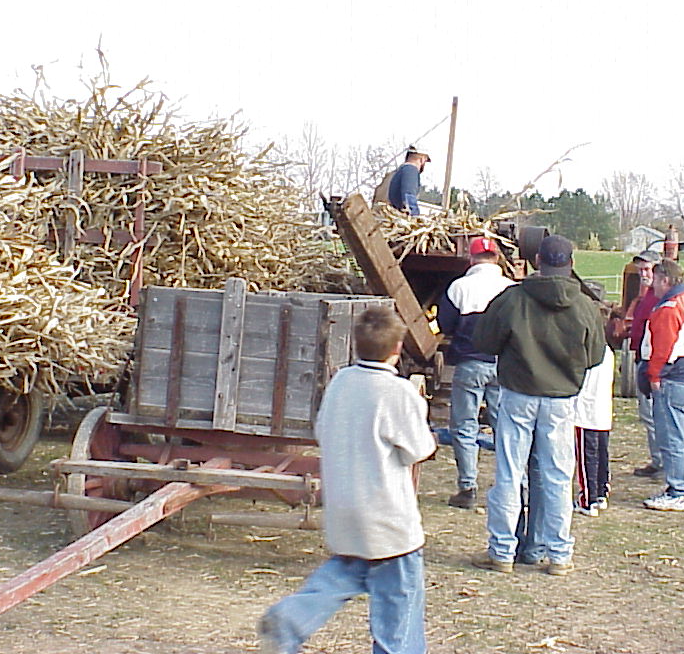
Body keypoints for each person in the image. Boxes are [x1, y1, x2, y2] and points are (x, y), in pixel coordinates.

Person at [258, 307, 437, 654]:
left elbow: (322, 431)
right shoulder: (397, 393)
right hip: (388, 516)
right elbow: (419, 449)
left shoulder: (341, 381)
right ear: (397, 348)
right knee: (399, 602)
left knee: (347, 572)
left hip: (344, 506)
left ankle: (290, 619)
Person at [469, 234, 606, 576]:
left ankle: (502, 551)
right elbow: (595, 356)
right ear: (571, 264)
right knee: (558, 476)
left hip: (517, 394)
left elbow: (484, 340)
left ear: (536, 262)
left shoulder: (513, 299)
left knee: (509, 473)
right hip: (561, 399)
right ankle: (558, 553)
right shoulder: (585, 305)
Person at [436, 236, 516, 509]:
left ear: (471, 259)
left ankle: (467, 487)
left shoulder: (459, 287)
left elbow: (445, 324)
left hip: (470, 363)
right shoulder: (511, 288)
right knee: (504, 427)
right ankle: (511, 484)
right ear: (496, 258)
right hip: (503, 365)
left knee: (464, 425)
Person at [639, 259, 684, 512]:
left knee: (672, 437)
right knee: (681, 436)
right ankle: (679, 486)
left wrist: (653, 376)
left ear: (665, 280)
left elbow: (663, 348)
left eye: (655, 279)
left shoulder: (669, 308)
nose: (652, 285)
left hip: (673, 379)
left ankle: (678, 491)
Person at [626, 250, 663, 478]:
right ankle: (657, 459)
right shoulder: (646, 295)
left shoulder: (660, 297)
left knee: (657, 415)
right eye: (640, 269)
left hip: (654, 362)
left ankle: (663, 462)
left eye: (647, 269)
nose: (643, 274)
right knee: (648, 415)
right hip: (643, 358)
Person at [572, 344, 615, 516]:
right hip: (602, 408)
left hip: (585, 409)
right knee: (601, 452)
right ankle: (601, 492)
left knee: (586, 455)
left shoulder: (585, 351)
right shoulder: (606, 350)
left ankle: (587, 499)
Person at [387, 146, 431, 215]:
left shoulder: (400, 171)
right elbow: (409, 197)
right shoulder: (410, 170)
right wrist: (415, 217)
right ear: (422, 159)